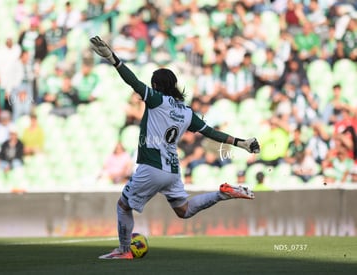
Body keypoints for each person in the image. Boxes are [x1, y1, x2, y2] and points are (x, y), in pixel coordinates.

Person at [89, 36, 260, 260]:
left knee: (123, 205)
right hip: (172, 169)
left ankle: (123, 251)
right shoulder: (186, 111)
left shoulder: (156, 99)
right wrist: (241, 143)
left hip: (151, 167)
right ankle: (222, 194)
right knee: (184, 210)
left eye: (153, 85)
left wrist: (114, 59)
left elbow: (133, 82)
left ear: (157, 86)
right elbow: (210, 132)